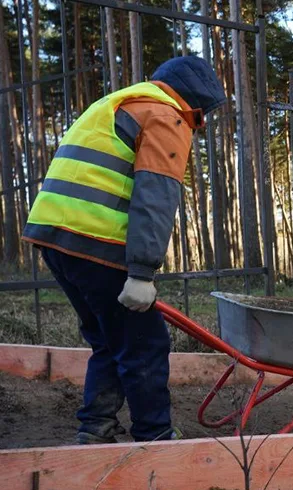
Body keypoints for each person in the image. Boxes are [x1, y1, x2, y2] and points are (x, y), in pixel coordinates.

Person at [22, 56, 226, 444]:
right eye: (202, 116)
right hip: (97, 243)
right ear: (193, 103)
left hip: (54, 237)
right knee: (145, 343)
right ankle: (156, 436)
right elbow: (155, 196)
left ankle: (96, 425)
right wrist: (142, 272)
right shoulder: (166, 115)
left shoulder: (117, 103)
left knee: (109, 339)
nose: (199, 126)